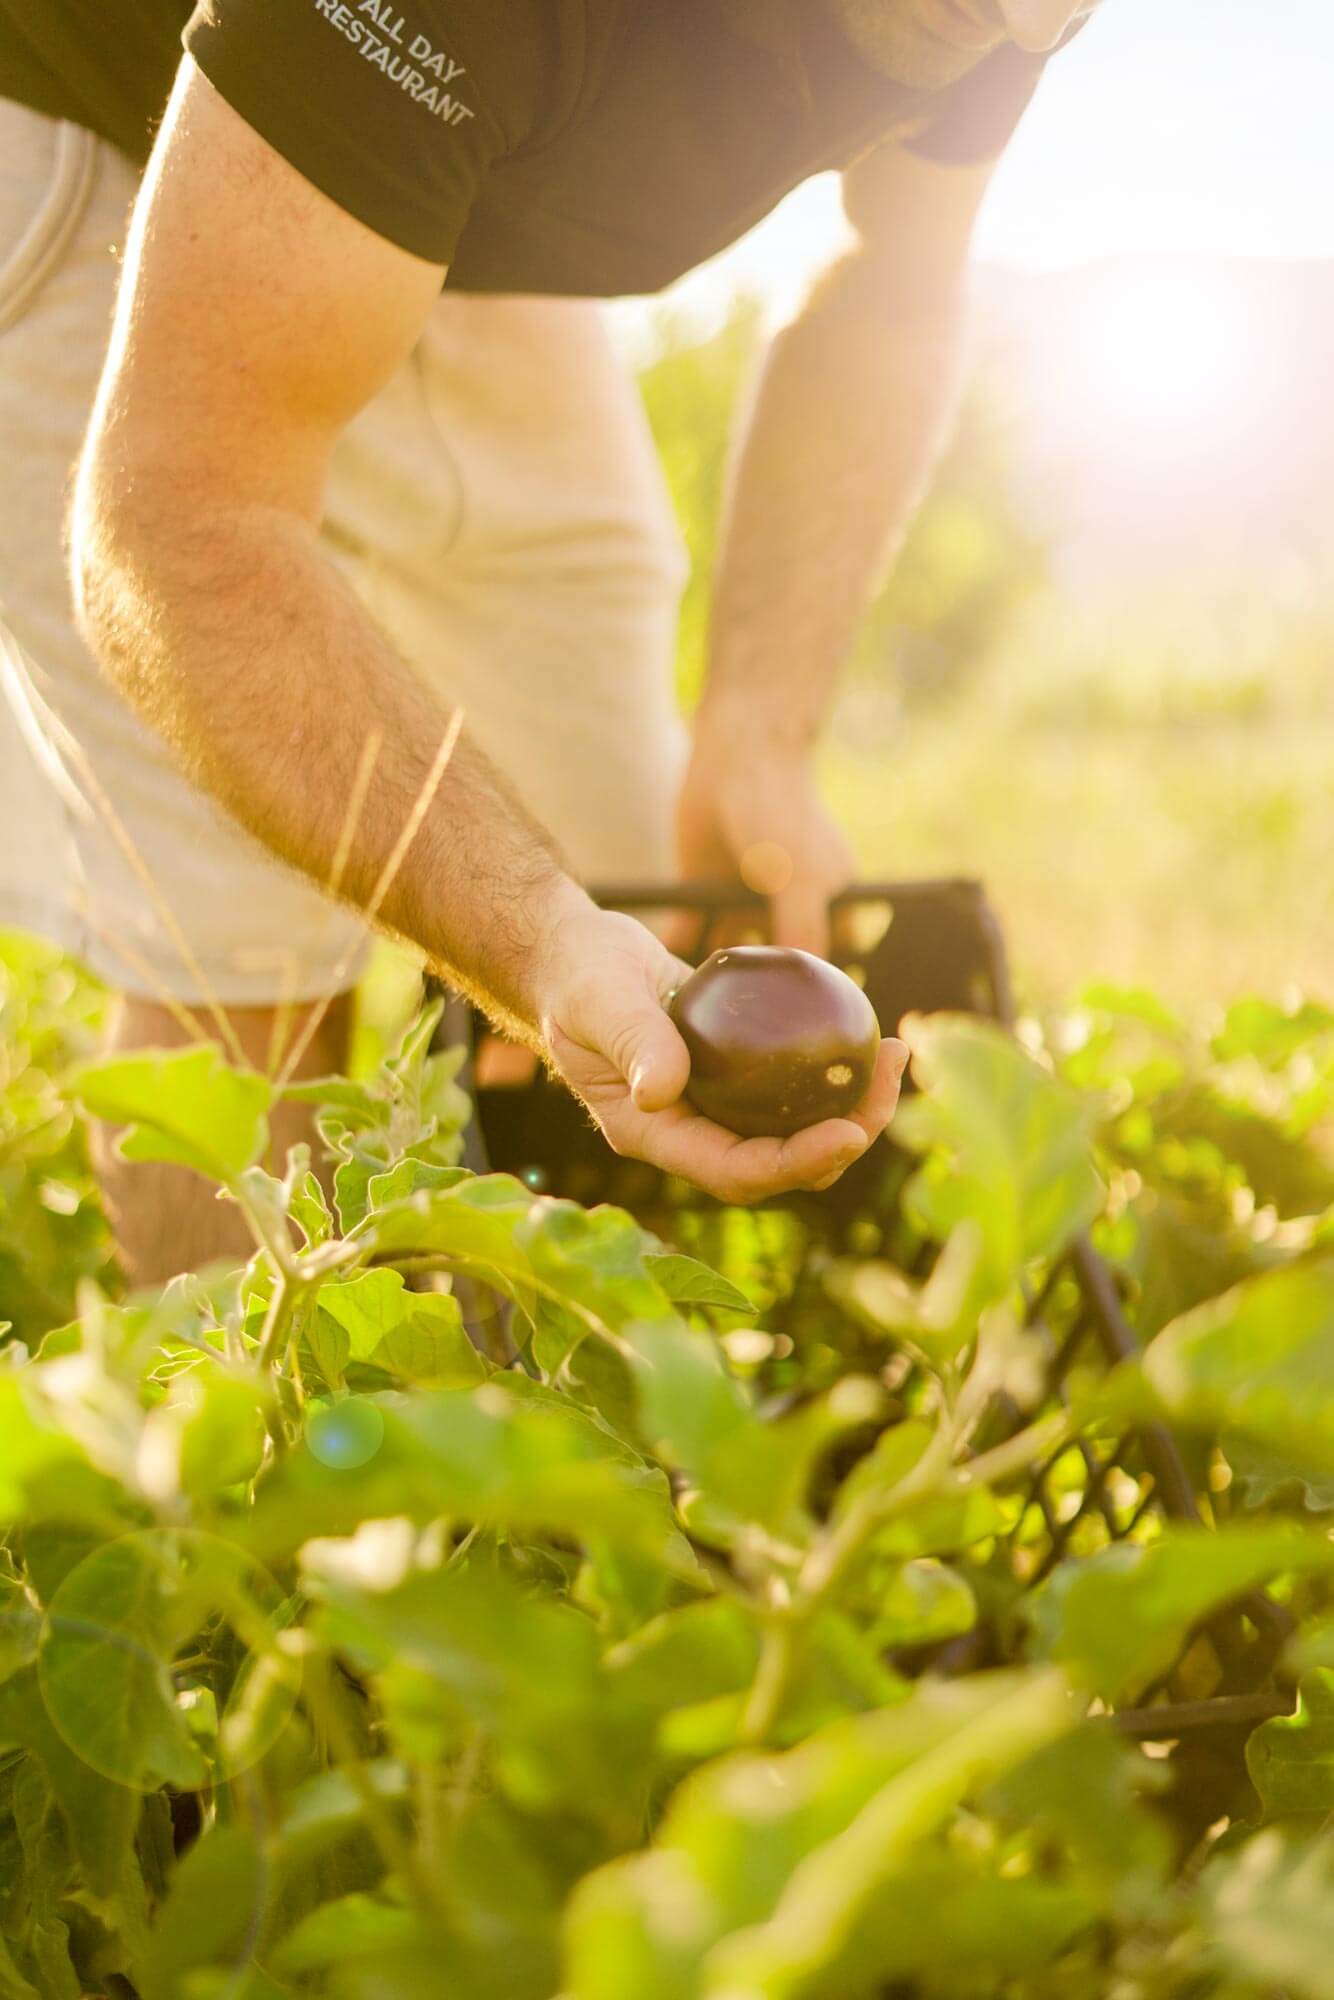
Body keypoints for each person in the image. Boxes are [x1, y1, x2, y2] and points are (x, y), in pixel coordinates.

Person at [0, 0, 1095, 1281]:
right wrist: (531, 940)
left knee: (629, 888)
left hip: (469, 185)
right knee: (245, 967)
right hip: (111, 142)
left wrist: (759, 729)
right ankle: (259, 1401)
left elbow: (892, 284)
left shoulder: (1002, 12)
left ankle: (559, 1381)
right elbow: (180, 526)